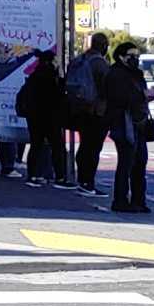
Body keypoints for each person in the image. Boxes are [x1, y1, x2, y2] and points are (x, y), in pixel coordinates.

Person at [104, 45, 154, 214]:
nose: (135, 58)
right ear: (120, 57)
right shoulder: (115, 74)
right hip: (123, 122)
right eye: (130, 55)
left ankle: (139, 200)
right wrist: (142, 96)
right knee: (126, 162)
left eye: (137, 55)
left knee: (140, 162)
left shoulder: (137, 74)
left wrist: (146, 96)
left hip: (138, 122)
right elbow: (118, 97)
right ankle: (120, 200)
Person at [64, 32, 113, 195]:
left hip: (79, 109)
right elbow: (107, 88)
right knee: (93, 148)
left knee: (85, 145)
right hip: (96, 111)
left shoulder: (79, 60)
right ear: (104, 46)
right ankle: (87, 182)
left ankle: (82, 180)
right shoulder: (100, 63)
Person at [15, 51, 66, 187]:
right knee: (57, 146)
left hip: (34, 116)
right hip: (50, 116)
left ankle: (32, 175)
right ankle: (60, 177)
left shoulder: (34, 76)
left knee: (36, 145)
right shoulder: (52, 76)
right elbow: (58, 94)